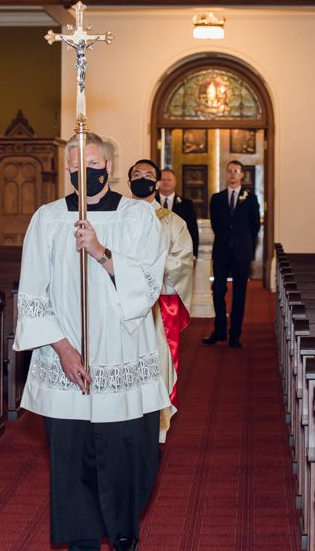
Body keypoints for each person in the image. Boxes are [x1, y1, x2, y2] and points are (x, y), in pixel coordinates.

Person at [13, 133, 170, 551]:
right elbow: (31, 295)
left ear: (110, 167)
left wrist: (100, 250)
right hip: (66, 362)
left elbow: (150, 284)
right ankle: (82, 540)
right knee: (72, 461)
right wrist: (62, 349)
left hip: (121, 356)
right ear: (67, 171)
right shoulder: (47, 219)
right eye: (75, 165)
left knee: (128, 460)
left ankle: (123, 535)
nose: (85, 170)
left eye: (93, 162)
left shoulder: (137, 218)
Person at [128, 159, 193, 442]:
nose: (142, 179)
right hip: (121, 304)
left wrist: (143, 275)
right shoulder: (116, 218)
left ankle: (157, 423)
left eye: (148, 176)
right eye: (136, 175)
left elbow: (182, 262)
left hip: (158, 304)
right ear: (129, 181)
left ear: (157, 183)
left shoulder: (173, 222)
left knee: (159, 361)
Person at [203, 160, 261, 348]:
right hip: (221, 251)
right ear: (226, 174)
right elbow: (216, 225)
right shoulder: (217, 198)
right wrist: (226, 239)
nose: (233, 174)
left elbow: (255, 225)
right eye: (230, 171)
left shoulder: (250, 198)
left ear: (242, 175)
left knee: (239, 294)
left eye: (236, 171)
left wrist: (243, 242)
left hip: (241, 253)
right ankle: (219, 331)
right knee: (218, 291)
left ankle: (235, 334)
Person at [157, 168, 199, 258]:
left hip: (179, 252)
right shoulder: (151, 203)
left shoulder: (187, 204)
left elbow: (193, 230)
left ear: (175, 182)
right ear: (157, 183)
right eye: (162, 180)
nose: (166, 182)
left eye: (169, 180)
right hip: (155, 252)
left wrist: (193, 254)